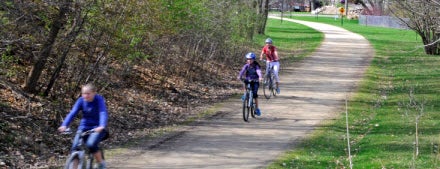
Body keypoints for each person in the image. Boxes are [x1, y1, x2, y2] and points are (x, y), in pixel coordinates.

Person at [58, 83, 109, 169]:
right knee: (75, 147)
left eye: (88, 93)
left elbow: (102, 112)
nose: (85, 96)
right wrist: (64, 125)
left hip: (97, 128)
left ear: (94, 93)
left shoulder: (98, 99)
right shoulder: (81, 100)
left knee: (91, 144)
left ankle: (101, 163)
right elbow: (72, 113)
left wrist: (102, 125)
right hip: (84, 127)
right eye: (83, 93)